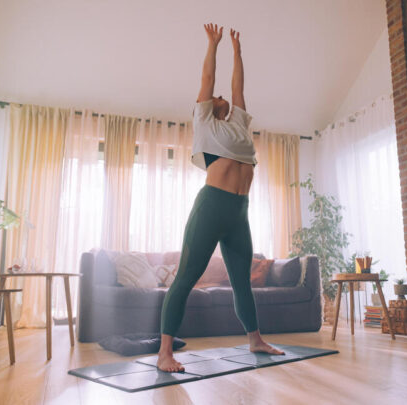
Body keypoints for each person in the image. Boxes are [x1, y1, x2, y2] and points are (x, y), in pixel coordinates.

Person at [156, 23, 284, 373]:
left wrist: (238, 52)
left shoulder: (239, 124)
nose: (223, 96)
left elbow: (238, 84)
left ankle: (255, 339)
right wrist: (213, 45)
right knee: (186, 277)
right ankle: (165, 352)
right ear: (210, 106)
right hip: (212, 206)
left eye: (224, 97)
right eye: (217, 97)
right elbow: (208, 78)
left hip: (239, 213)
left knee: (242, 281)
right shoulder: (205, 123)